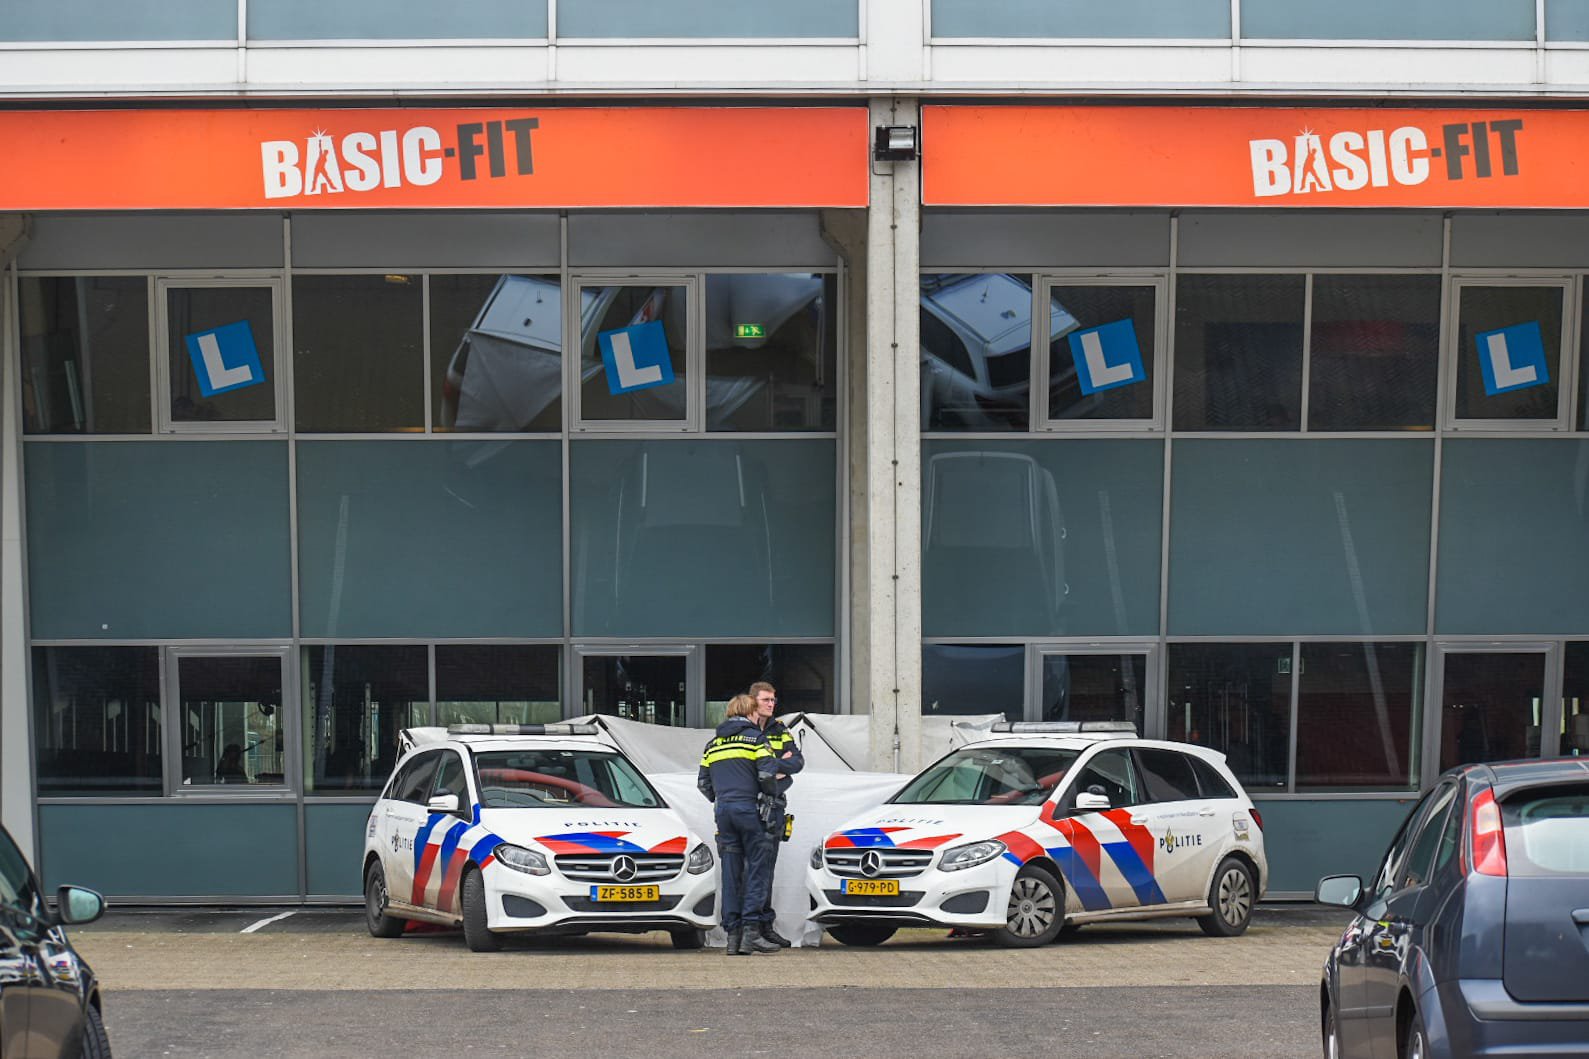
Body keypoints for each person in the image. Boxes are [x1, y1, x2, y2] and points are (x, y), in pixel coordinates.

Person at [697, 693, 780, 956]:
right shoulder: (756, 739)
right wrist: (770, 795)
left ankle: (733, 937)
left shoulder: (712, 745)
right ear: (750, 713)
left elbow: (703, 784)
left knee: (731, 874)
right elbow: (767, 775)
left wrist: (721, 799)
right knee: (757, 870)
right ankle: (751, 936)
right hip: (750, 811)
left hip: (724, 812)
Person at [750, 681, 803, 947]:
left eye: (773, 700)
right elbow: (745, 769)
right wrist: (776, 769)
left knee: (768, 869)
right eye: (766, 700)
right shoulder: (742, 730)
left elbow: (797, 762)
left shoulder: (780, 730)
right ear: (753, 701)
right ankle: (749, 927)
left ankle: (765, 924)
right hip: (749, 806)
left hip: (775, 806)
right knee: (750, 870)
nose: (771, 704)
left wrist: (771, 769)